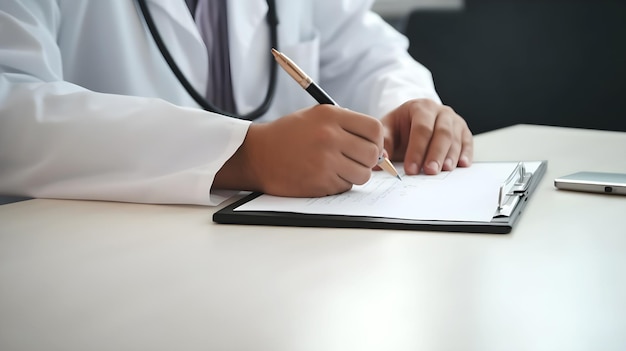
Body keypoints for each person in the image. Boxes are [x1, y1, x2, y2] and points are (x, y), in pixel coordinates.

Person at [0, 0, 473, 205]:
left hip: (276, 266)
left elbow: (371, 51)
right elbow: (11, 107)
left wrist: (410, 104)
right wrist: (241, 153)